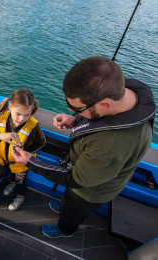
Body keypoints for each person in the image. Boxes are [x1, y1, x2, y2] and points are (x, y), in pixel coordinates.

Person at [11, 56, 156, 238]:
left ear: (103, 105)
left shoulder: (110, 145)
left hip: (90, 190)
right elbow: (104, 118)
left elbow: (76, 179)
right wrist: (78, 119)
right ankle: (66, 206)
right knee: (69, 201)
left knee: (73, 211)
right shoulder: (129, 90)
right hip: (93, 170)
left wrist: (31, 161)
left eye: (77, 109)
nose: (71, 111)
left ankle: (65, 230)